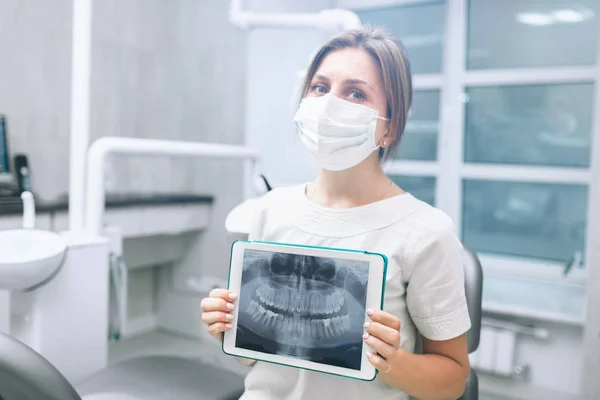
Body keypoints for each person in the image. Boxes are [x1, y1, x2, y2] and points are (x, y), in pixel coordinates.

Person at [201, 25, 471, 400]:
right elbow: (255, 362)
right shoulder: (271, 210)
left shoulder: (426, 232)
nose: (329, 105)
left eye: (356, 93)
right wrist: (228, 330)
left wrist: (390, 360)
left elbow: (453, 380)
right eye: (320, 87)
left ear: (389, 127)